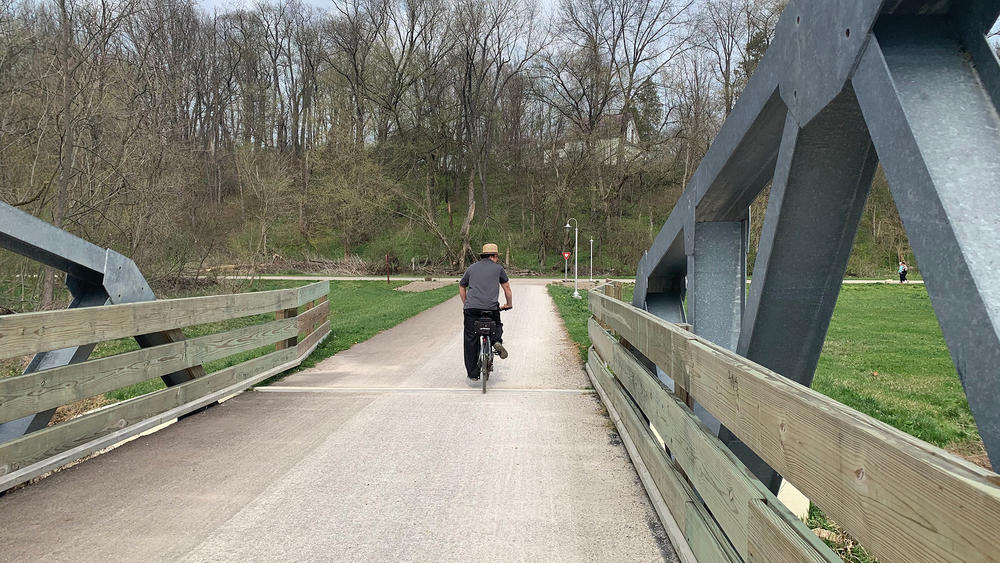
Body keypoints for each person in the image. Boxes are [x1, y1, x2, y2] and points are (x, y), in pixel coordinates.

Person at [459, 243, 513, 380]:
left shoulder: (471, 268)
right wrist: (509, 304)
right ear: (493, 256)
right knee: (496, 326)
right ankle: (496, 341)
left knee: (470, 338)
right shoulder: (498, 269)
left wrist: (466, 304)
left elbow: (462, 286)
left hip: (472, 309)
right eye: (497, 257)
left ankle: (472, 374)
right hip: (491, 308)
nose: (498, 260)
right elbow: (507, 288)